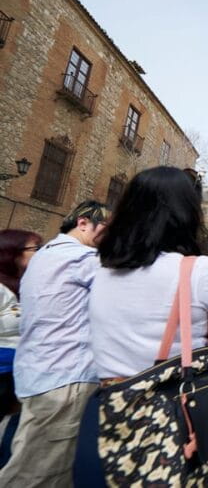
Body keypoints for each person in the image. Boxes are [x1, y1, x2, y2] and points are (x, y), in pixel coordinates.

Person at [73, 166, 208, 485]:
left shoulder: (100, 268)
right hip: (176, 417)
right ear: (187, 214)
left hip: (106, 416)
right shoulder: (199, 270)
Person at [0, 201, 108, 487]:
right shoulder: (83, 259)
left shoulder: (46, 254)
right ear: (83, 223)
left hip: (40, 373)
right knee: (37, 474)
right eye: (106, 228)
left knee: (41, 464)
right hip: (66, 378)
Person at [0, 229, 42, 467]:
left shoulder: (25, 286)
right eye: (35, 249)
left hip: (18, 372)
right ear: (12, 253)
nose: (41, 254)